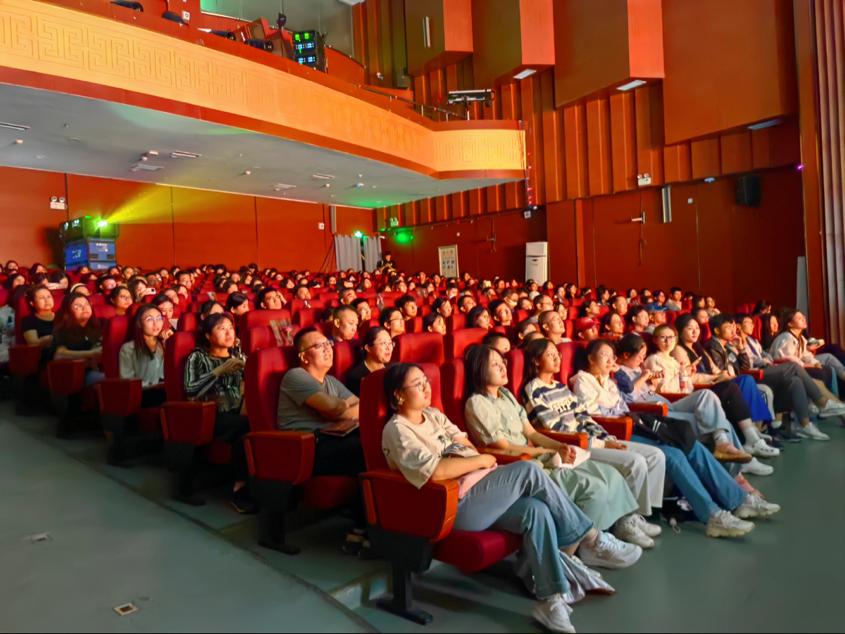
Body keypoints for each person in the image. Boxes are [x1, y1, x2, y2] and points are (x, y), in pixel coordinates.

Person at [383, 362, 638, 634]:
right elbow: (437, 471)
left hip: (482, 490)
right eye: (418, 384)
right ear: (399, 395)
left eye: (426, 380)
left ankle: (551, 599)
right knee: (529, 470)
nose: (427, 387)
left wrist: (469, 461)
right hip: (453, 504)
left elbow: (465, 445)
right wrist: (479, 460)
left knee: (536, 510)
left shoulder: (434, 415)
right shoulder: (398, 430)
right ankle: (590, 537)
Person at [572, 339, 779, 537]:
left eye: (612, 356)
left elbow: (623, 401)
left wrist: (616, 379)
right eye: (604, 356)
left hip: (634, 424)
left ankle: (739, 500)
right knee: (673, 455)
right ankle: (712, 515)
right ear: (590, 358)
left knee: (691, 445)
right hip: (615, 432)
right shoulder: (582, 380)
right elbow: (593, 416)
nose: (610, 361)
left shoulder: (610, 380)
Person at [464, 345, 659, 549]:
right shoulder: (477, 403)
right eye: (495, 364)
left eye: (502, 362)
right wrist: (547, 452)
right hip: (523, 464)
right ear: (479, 369)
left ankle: (608, 531)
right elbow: (503, 447)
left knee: (612, 475)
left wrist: (561, 446)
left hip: (540, 456)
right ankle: (579, 548)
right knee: (596, 489)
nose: (503, 367)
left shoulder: (506, 395)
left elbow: (531, 433)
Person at [521, 338, 667, 522]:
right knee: (635, 462)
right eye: (550, 355)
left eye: (557, 354)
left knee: (655, 455)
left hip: (593, 440)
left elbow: (584, 416)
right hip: (575, 446)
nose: (557, 358)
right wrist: (601, 444)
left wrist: (607, 438)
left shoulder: (561, 387)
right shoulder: (534, 390)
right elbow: (557, 429)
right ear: (536, 360)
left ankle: (641, 516)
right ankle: (626, 522)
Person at [277, 328, 366, 552]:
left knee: (375, 444)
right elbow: (331, 408)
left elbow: (362, 407)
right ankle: (360, 529)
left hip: (334, 439)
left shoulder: (331, 381)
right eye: (319, 346)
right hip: (306, 448)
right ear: (304, 356)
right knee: (366, 450)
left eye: (328, 344)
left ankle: (367, 524)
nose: (328, 349)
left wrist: (339, 408)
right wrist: (340, 407)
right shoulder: (295, 376)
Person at [614, 333, 752, 464]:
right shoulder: (619, 372)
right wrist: (644, 377)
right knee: (719, 423)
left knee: (706, 395)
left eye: (644, 356)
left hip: (667, 403)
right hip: (656, 411)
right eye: (639, 357)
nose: (642, 360)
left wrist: (655, 382)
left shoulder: (637, 368)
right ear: (626, 355)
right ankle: (735, 465)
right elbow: (630, 397)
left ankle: (724, 445)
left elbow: (653, 390)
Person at [671, 315, 777, 476]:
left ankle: (752, 437)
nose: (695, 332)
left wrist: (722, 374)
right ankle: (751, 437)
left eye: (697, 328)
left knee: (742, 383)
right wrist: (716, 377)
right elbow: (689, 377)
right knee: (733, 386)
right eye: (690, 328)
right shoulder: (679, 350)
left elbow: (715, 368)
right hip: (699, 390)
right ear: (680, 331)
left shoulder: (698, 348)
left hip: (712, 384)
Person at [183, 313, 254, 513]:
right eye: (221, 329)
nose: (229, 333)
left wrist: (248, 370)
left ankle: (243, 487)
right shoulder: (197, 357)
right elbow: (190, 390)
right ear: (208, 335)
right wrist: (218, 371)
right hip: (209, 415)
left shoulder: (238, 356)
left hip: (237, 413)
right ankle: (240, 487)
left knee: (249, 429)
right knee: (245, 426)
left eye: (231, 328)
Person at [52, 293, 104, 386]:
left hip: (98, 368)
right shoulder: (63, 330)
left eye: (87, 304)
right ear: (68, 310)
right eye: (78, 306)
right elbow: (59, 354)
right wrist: (92, 353)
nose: (84, 308)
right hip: (77, 373)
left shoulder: (96, 327)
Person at [344, 327, 393, 397]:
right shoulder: (356, 377)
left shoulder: (393, 368)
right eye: (383, 343)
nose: (388, 348)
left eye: (390, 343)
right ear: (368, 348)